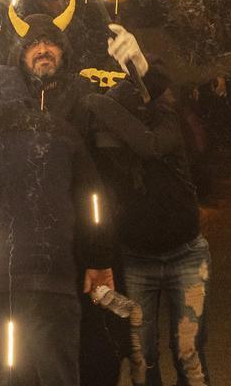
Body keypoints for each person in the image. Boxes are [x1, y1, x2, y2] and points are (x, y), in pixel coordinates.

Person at [0, 0, 124, 384]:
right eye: (34, 45)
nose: (43, 50)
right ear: (20, 56)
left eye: (50, 43)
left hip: (66, 239)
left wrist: (99, 252)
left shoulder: (80, 99)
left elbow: (94, 188)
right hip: (7, 246)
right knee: (16, 354)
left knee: (64, 347)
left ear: (63, 52)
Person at [79, 56, 211, 384]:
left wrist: (95, 100)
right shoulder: (108, 140)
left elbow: (148, 146)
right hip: (136, 256)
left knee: (189, 353)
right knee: (143, 359)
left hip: (186, 254)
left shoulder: (166, 120)